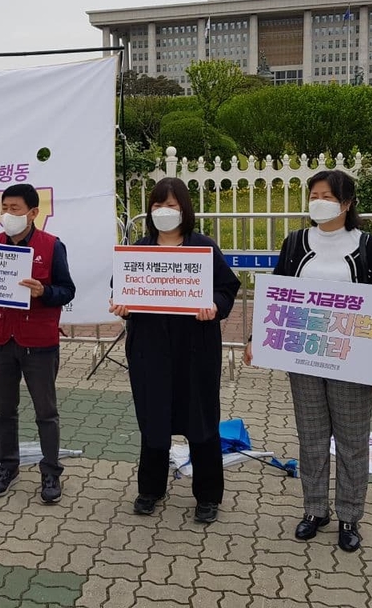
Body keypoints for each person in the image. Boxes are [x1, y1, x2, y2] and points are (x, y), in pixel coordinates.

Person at [244, 170, 372, 551]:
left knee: (352, 442)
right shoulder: (296, 242)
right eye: (313, 194)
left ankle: (350, 516)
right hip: (304, 359)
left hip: (353, 361)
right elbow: (279, 295)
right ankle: (314, 509)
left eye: (327, 196)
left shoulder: (369, 246)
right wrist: (257, 338)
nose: (318, 201)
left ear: (347, 203)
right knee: (312, 439)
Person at [110, 177, 241, 524]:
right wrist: (120, 303)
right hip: (150, 349)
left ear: (184, 209)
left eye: (171, 205)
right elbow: (120, 287)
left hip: (195, 349)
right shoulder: (138, 250)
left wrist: (214, 304)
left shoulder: (203, 248)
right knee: (154, 419)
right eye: (157, 205)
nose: (163, 212)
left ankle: (208, 495)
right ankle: (150, 489)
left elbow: (227, 288)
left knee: (201, 420)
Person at [0, 183, 76, 503]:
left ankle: (50, 471)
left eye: (14, 209)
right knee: (5, 411)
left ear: (33, 213)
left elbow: (67, 290)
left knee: (46, 412)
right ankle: (7, 466)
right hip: (1, 340)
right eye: (4, 208)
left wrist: (43, 292)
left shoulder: (51, 246)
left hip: (39, 343)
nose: (7, 215)